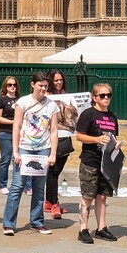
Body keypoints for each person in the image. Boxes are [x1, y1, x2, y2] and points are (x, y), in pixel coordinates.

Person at [2, 73, 56, 237]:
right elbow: (16, 127)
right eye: (40, 85)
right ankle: (9, 223)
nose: (43, 89)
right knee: (18, 185)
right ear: (33, 85)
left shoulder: (52, 105)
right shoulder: (23, 102)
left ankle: (37, 221)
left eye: (46, 86)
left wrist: (53, 153)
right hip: (25, 147)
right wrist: (16, 151)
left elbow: (53, 130)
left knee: (39, 187)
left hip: (43, 148)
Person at [76, 83, 121, 243]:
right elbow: (80, 136)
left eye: (109, 95)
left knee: (102, 196)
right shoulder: (88, 114)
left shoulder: (112, 116)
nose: (106, 98)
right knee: (88, 196)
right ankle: (83, 229)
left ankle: (102, 228)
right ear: (94, 97)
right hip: (90, 160)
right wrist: (96, 139)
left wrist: (115, 144)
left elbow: (113, 136)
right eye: (102, 95)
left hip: (106, 162)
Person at [43, 69, 73, 218]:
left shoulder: (65, 96)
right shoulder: (47, 97)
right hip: (53, 138)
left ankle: (48, 201)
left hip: (66, 137)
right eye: (56, 80)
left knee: (56, 171)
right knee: (53, 172)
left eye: (60, 80)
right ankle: (54, 203)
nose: (59, 83)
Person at [0, 76, 20, 192]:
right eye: (9, 85)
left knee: (18, 158)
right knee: (6, 158)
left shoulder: (20, 100)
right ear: (6, 87)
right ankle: (2, 185)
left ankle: (18, 183)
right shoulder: (1, 100)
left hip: (18, 133)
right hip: (5, 132)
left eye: (14, 85)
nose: (12, 87)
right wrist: (12, 122)